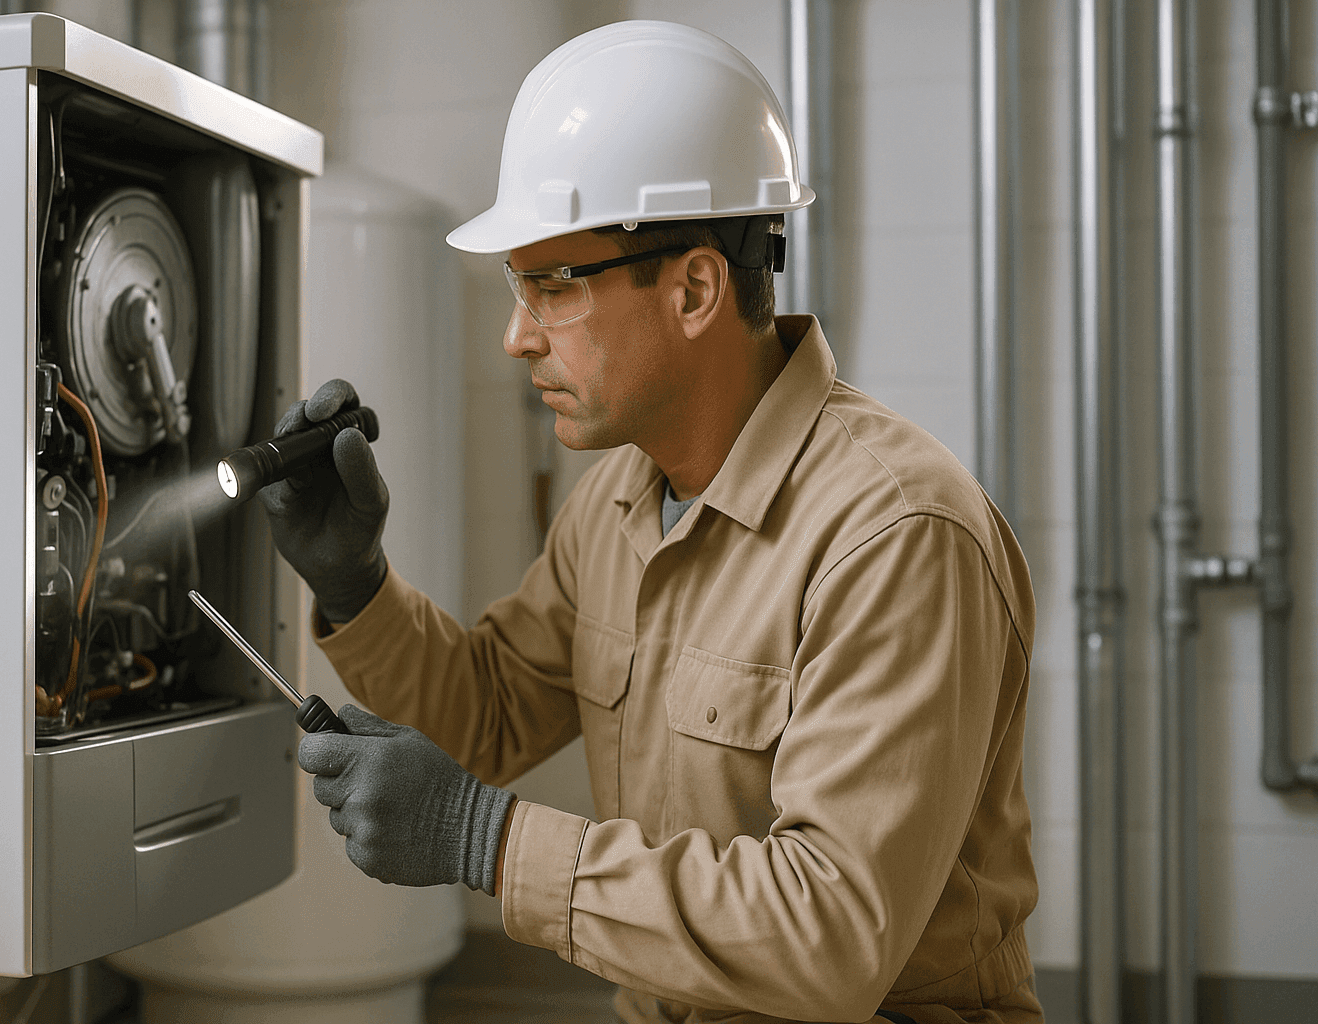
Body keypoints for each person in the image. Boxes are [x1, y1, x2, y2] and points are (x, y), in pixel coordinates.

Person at [263, 20, 1043, 1024]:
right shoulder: (622, 504)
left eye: (553, 285)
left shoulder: (896, 537)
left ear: (694, 288)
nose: (515, 335)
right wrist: (355, 583)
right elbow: (493, 711)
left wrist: (484, 838)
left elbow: (831, 934)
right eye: (518, 288)